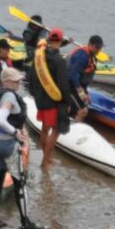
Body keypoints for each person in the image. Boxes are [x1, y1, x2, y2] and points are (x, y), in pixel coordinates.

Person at [0, 68, 43, 229]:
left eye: (18, 80)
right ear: (6, 82)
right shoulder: (9, 95)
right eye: (15, 81)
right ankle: (26, 222)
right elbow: (0, 119)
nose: (18, 83)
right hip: (7, 142)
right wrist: (15, 132)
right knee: (20, 183)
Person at [28, 28, 79, 168]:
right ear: (61, 41)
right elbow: (63, 84)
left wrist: (33, 93)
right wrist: (68, 102)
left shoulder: (39, 57)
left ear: (49, 40)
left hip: (40, 99)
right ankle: (45, 161)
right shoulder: (60, 61)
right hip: (54, 101)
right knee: (56, 130)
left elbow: (31, 76)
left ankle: (46, 157)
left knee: (45, 129)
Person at [66, 35, 104, 122]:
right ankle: (72, 130)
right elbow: (73, 75)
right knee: (83, 111)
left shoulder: (92, 55)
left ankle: (67, 118)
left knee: (74, 106)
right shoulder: (82, 56)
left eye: (100, 47)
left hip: (78, 85)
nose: (99, 50)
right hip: (70, 85)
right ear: (90, 44)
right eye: (97, 47)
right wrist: (81, 92)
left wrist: (86, 92)